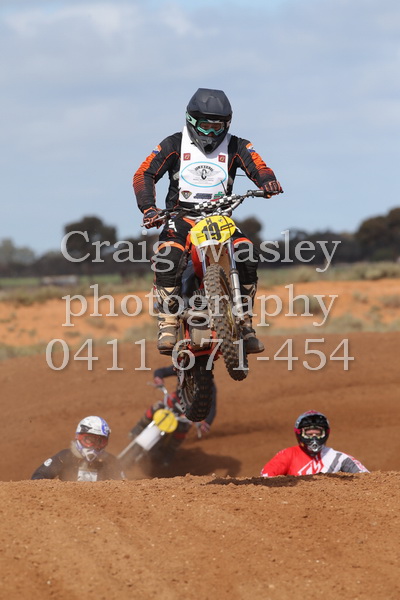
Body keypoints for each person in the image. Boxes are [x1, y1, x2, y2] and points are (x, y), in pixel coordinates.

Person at [133, 87, 283, 355]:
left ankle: (245, 323)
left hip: (219, 217)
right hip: (180, 216)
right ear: (192, 121)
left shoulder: (238, 145)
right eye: (206, 126)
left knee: (247, 252)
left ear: (227, 124)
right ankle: (168, 322)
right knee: (168, 255)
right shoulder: (173, 144)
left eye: (218, 127)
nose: (212, 133)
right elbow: (144, 173)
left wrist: (267, 181)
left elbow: (259, 166)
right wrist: (148, 208)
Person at [128, 365, 217, 465]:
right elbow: (161, 371)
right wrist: (158, 378)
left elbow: (212, 407)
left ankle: (170, 451)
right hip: (174, 400)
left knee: (183, 427)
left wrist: (207, 422)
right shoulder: (183, 368)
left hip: (189, 410)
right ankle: (139, 427)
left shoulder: (209, 385)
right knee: (157, 407)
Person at [261, 410, 369, 477]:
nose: (314, 438)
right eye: (309, 433)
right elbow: (265, 477)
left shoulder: (338, 458)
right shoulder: (287, 455)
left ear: (325, 433)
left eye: (318, 433)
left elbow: (367, 478)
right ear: (300, 433)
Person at [31, 416, 124, 481]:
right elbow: (39, 476)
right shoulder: (65, 457)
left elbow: (124, 486)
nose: (94, 446)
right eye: (89, 440)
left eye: (100, 441)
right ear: (78, 437)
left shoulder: (111, 462)